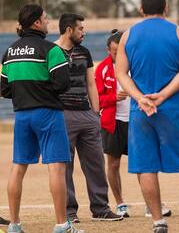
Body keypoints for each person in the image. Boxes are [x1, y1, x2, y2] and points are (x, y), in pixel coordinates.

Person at [115, 0, 179, 232]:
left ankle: (158, 223)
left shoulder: (128, 35)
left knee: (145, 167)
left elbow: (121, 73)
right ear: (165, 8)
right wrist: (163, 95)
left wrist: (140, 98)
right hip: (170, 108)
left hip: (141, 110)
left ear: (141, 9)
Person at [0, 4, 82, 233]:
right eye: (45, 19)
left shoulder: (9, 52)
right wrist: (43, 90)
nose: (48, 22)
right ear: (36, 23)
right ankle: (61, 225)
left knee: (18, 167)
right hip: (48, 113)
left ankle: (14, 225)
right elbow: (63, 83)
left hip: (22, 115)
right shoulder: (51, 50)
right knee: (56, 167)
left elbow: (4, 89)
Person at [95, 29, 172, 219]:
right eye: (115, 52)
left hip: (136, 120)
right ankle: (120, 204)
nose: (119, 55)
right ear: (108, 50)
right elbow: (96, 98)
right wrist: (113, 97)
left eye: (122, 51)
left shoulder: (137, 64)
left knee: (143, 162)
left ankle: (151, 205)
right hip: (113, 123)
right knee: (113, 164)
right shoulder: (102, 69)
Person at [55, 13, 122, 223]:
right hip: (62, 115)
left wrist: (95, 113)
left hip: (87, 114)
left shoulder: (84, 51)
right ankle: (69, 212)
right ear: (69, 30)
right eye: (80, 29)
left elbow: (91, 84)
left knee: (95, 163)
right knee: (64, 166)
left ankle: (101, 209)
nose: (84, 32)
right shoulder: (51, 52)